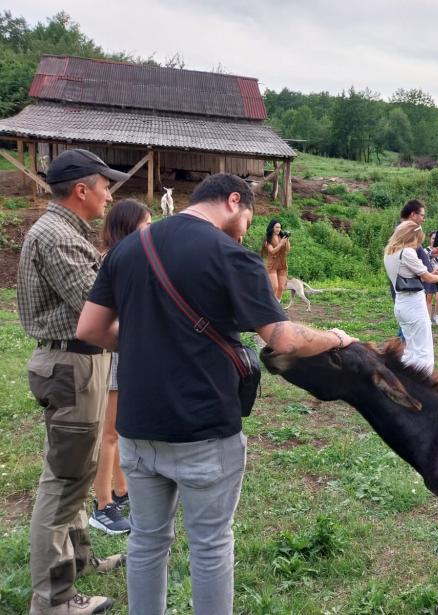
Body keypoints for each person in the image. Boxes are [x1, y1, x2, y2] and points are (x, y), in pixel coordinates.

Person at [75, 173, 356, 615]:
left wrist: (145, 340)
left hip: (137, 430)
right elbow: (283, 338)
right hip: (204, 429)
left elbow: (89, 329)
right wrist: (337, 338)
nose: (248, 226)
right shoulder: (231, 255)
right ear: (232, 200)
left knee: (147, 541)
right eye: (249, 215)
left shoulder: (129, 248)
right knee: (209, 547)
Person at [18, 149, 129, 615]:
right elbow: (96, 305)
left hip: (80, 363)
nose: (109, 194)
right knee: (63, 484)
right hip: (72, 366)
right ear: (81, 189)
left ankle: (79, 559)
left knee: (77, 470)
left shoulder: (65, 232)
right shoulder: (57, 237)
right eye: (105, 185)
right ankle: (54, 599)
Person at [90, 200, 152, 536]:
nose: (150, 232)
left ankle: (121, 487)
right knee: (111, 432)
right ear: (129, 228)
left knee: (117, 430)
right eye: (146, 224)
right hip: (114, 351)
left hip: (119, 349)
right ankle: (102, 504)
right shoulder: (115, 262)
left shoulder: (121, 259)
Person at [384, 221, 438, 373]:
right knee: (423, 351)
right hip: (414, 305)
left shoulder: (390, 252)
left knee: (410, 349)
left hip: (401, 304)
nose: (418, 243)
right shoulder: (407, 252)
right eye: (417, 239)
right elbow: (428, 278)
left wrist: (433, 273)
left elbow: (409, 276)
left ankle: (405, 381)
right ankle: (424, 386)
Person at [390, 200, 438, 338]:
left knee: (408, 325)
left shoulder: (407, 231)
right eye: (422, 215)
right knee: (409, 324)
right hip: (408, 287)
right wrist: (437, 276)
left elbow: (411, 255)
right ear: (413, 215)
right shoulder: (404, 231)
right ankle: (398, 354)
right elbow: (404, 255)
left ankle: (399, 352)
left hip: (413, 284)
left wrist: (429, 254)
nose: (424, 219)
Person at [260, 218, 290, 301]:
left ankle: (277, 306)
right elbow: (272, 251)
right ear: (272, 227)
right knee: (274, 287)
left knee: (281, 288)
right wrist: (281, 244)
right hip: (272, 265)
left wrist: (286, 240)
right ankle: (268, 304)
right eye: (277, 227)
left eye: (280, 227)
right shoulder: (268, 238)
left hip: (282, 265)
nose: (279, 229)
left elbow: (288, 249)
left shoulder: (282, 237)